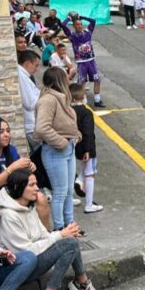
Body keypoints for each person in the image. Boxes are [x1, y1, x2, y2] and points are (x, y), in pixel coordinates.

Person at [0, 170, 99, 290]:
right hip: (17, 268)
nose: (37, 188)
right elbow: (25, 252)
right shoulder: (7, 216)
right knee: (68, 243)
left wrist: (64, 234)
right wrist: (59, 235)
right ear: (19, 187)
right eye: (31, 185)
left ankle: (81, 281)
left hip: (34, 258)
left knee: (70, 240)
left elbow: (43, 234)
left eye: (36, 184)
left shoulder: (28, 206)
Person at [34, 66, 81, 231]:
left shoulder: (61, 98)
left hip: (67, 149)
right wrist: (62, 142)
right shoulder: (48, 100)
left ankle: (70, 226)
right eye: (65, 77)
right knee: (60, 192)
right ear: (59, 80)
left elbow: (64, 125)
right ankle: (60, 228)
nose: (69, 80)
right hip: (56, 151)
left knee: (68, 191)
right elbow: (41, 128)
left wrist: (75, 136)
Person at [70, 83, 103, 213]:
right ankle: (89, 204)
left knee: (84, 169)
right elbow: (88, 132)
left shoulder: (69, 111)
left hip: (75, 146)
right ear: (83, 97)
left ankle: (78, 181)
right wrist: (89, 150)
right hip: (87, 148)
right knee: (90, 174)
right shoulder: (86, 113)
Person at [64, 13, 104, 108]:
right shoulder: (72, 36)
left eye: (81, 24)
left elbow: (93, 21)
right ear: (73, 26)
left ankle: (97, 100)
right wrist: (69, 18)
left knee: (97, 79)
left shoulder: (88, 32)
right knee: (81, 82)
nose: (80, 26)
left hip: (91, 61)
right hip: (81, 63)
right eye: (77, 24)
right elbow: (63, 25)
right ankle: (82, 100)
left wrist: (82, 17)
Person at [17, 50, 41, 151]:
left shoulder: (24, 76)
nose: (37, 69)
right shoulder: (21, 77)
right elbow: (29, 103)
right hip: (31, 125)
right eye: (35, 65)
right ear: (27, 63)